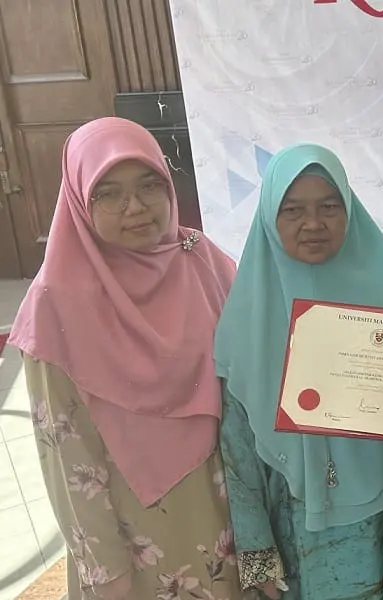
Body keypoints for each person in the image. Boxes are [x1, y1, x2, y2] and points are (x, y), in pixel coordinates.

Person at [213, 143, 383, 599]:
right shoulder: (248, 318)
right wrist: (256, 548)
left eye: (329, 206)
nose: (314, 224)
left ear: (349, 207)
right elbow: (238, 448)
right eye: (293, 210)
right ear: (270, 215)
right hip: (300, 527)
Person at [8, 117, 241, 599]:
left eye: (149, 185)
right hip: (135, 541)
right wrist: (105, 572)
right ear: (78, 199)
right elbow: (66, 456)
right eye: (107, 193)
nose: (134, 207)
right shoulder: (56, 304)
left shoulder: (201, 261)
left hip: (230, 515)